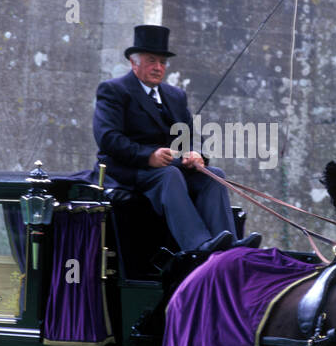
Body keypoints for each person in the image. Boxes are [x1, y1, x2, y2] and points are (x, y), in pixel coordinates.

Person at [92, 25, 261, 255]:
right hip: (129, 170)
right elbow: (107, 138)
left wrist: (196, 154)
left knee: (215, 176)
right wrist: (148, 156)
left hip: (169, 167)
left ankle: (228, 247)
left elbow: (189, 135)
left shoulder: (175, 96)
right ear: (134, 63)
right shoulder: (114, 90)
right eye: (151, 61)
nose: (158, 67)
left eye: (162, 62)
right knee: (169, 175)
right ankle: (198, 245)